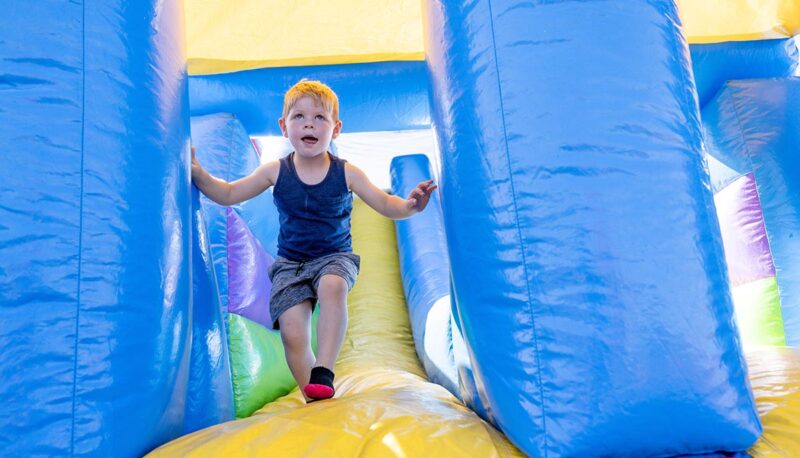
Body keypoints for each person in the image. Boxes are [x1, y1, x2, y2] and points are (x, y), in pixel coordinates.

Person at [191, 80, 437, 402]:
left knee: (333, 286)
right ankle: (315, 395)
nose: (309, 123)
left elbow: (385, 204)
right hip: (291, 264)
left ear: (335, 129)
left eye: (320, 118)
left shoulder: (347, 173)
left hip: (334, 256)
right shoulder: (274, 172)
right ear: (284, 126)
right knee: (293, 334)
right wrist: (198, 173)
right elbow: (229, 193)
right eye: (299, 117)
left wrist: (410, 205)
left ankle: (325, 368)